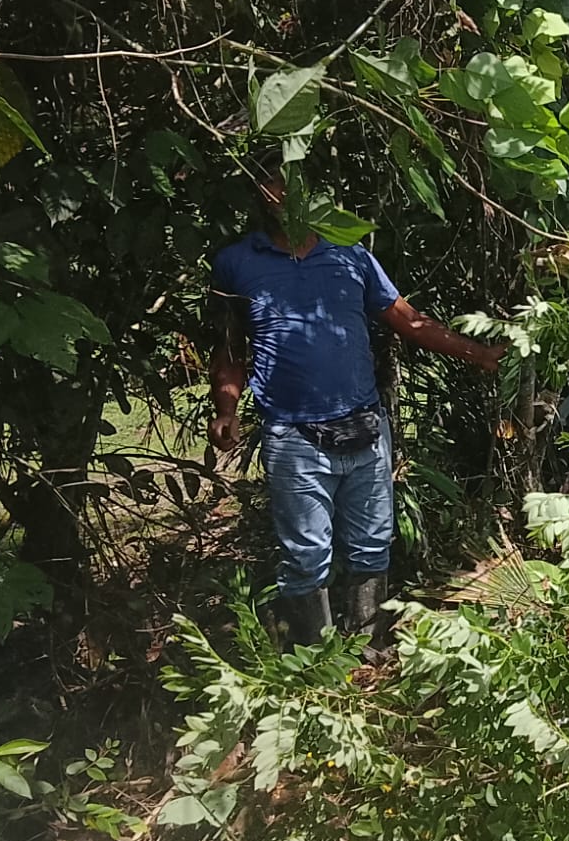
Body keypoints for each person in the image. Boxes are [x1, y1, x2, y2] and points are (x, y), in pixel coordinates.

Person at [208, 170, 504, 646]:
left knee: (371, 544)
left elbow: (408, 321)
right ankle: (317, 662)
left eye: (291, 180)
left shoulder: (350, 254)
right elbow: (229, 348)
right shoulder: (236, 264)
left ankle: (369, 649)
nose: (282, 193)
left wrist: (480, 353)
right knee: (306, 556)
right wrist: (227, 408)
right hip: (293, 436)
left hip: (365, 426)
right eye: (269, 183)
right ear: (256, 195)